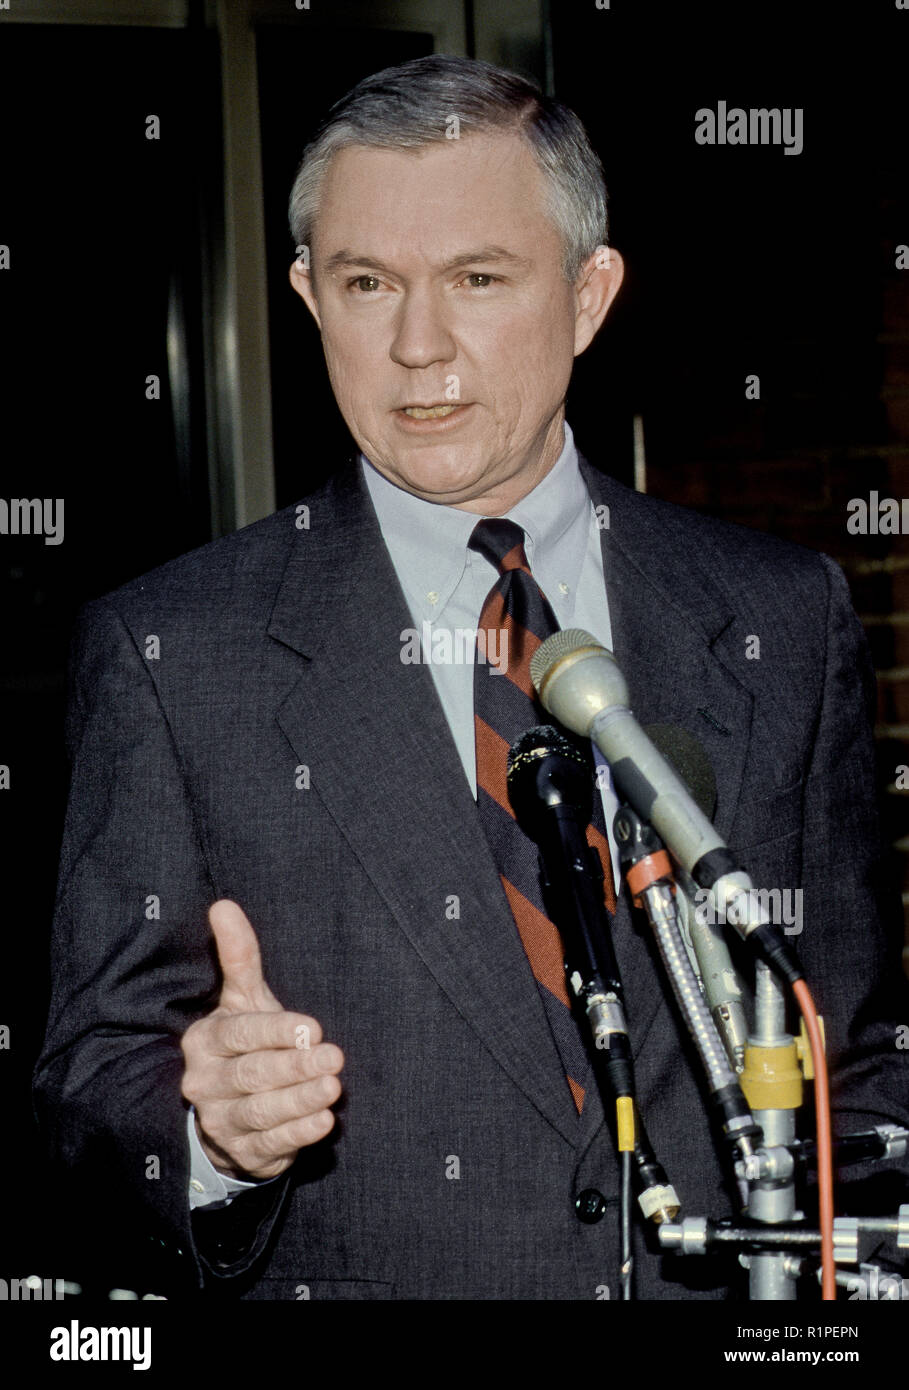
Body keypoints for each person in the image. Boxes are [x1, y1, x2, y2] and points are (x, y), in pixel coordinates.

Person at [34, 54, 909, 1301]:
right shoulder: (172, 651)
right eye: (367, 283)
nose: (417, 344)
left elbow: (855, 1054)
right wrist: (210, 1135)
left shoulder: (782, 613)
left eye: (478, 279)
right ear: (307, 297)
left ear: (589, 295)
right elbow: (88, 1088)